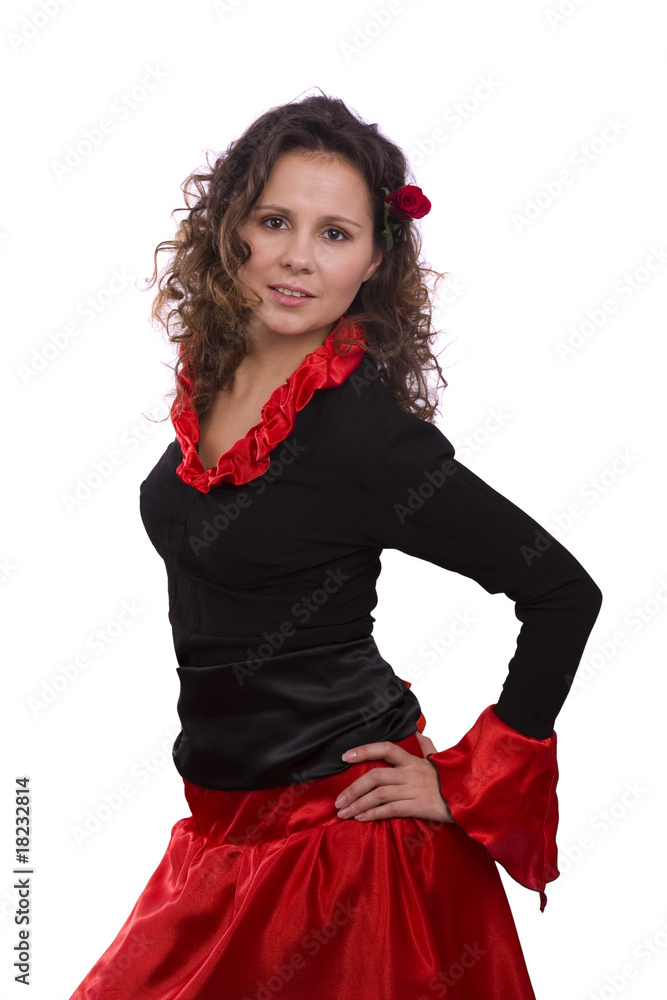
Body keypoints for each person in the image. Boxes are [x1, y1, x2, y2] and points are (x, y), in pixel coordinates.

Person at [68, 90, 603, 999]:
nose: (297, 258)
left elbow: (561, 592)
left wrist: (465, 782)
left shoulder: (366, 437)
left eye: (335, 234)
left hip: (343, 849)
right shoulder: (215, 376)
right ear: (230, 226)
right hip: (219, 838)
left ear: (374, 259)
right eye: (275, 221)